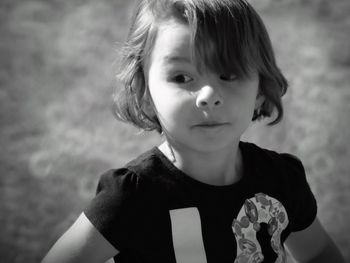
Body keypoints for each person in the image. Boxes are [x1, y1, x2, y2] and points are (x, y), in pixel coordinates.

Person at [42, 0, 346, 262]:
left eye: (229, 73)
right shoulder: (132, 197)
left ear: (260, 90)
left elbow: (318, 254)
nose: (209, 94)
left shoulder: (281, 180)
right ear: (144, 93)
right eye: (182, 76)